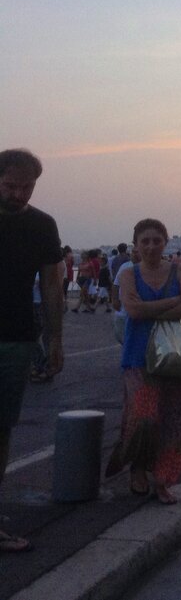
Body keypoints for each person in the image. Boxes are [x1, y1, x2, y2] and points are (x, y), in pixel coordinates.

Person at [106, 218, 181, 505]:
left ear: (165, 242)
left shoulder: (179, 270)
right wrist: (172, 303)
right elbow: (132, 311)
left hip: (175, 357)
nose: (151, 246)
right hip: (138, 357)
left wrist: (149, 309)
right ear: (136, 245)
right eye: (145, 241)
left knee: (174, 421)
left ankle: (163, 479)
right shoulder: (129, 273)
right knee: (143, 418)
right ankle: (136, 466)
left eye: (156, 240)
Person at [0, 149, 64, 554]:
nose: (19, 194)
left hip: (17, 336)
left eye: (27, 187)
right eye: (10, 186)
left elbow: (53, 285)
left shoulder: (43, 225)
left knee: (2, 429)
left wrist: (55, 339)